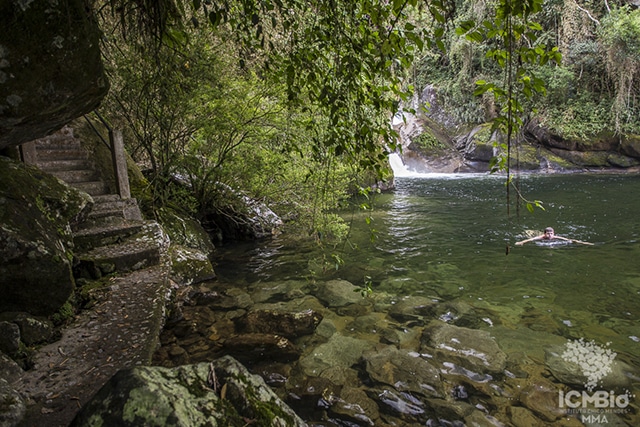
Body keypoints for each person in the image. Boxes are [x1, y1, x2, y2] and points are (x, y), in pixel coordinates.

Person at [515, 227, 593, 246]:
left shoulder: (555, 237)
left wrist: (582, 242)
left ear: (553, 233)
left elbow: (567, 239)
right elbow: (531, 239)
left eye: (551, 233)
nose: (550, 235)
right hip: (536, 234)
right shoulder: (541, 237)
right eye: (548, 233)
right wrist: (521, 242)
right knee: (529, 233)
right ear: (545, 234)